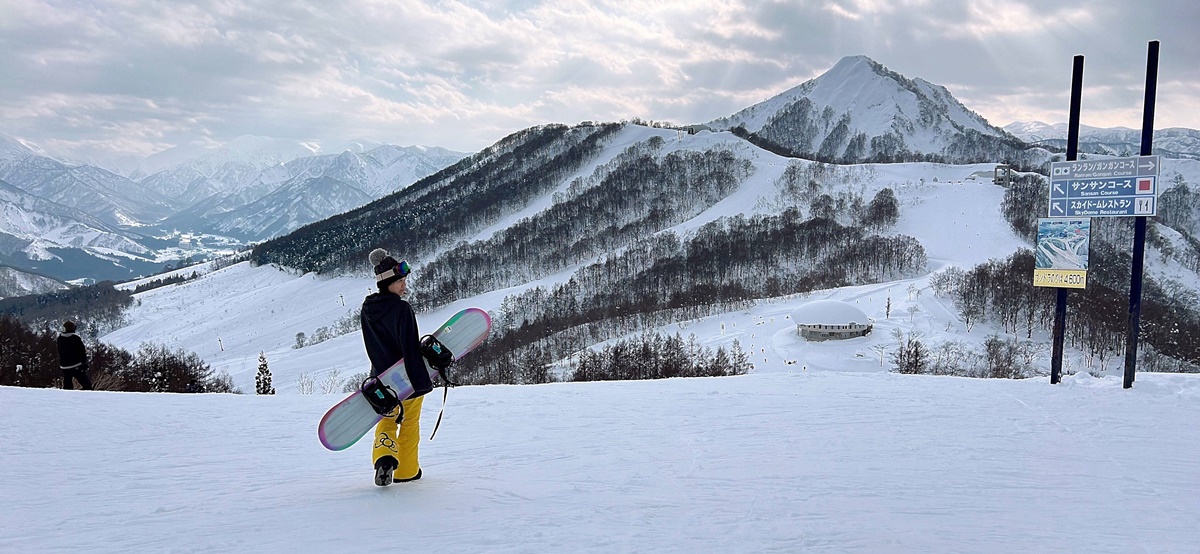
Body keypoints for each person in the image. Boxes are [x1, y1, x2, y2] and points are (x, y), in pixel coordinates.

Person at [361, 248, 434, 486]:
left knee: (387, 420)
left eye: (404, 280)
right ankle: (407, 471)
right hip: (406, 378)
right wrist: (421, 383)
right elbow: (409, 347)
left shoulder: (368, 309)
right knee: (410, 422)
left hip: (381, 379)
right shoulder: (401, 308)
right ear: (387, 283)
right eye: (400, 281)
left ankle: (384, 459)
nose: (404, 286)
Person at [57, 321, 93, 390]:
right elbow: (82, 352)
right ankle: (81, 397)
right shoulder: (76, 338)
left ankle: (68, 399)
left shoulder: (60, 338)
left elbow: (60, 351)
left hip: (64, 366)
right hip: (76, 365)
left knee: (67, 385)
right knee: (87, 385)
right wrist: (84, 363)